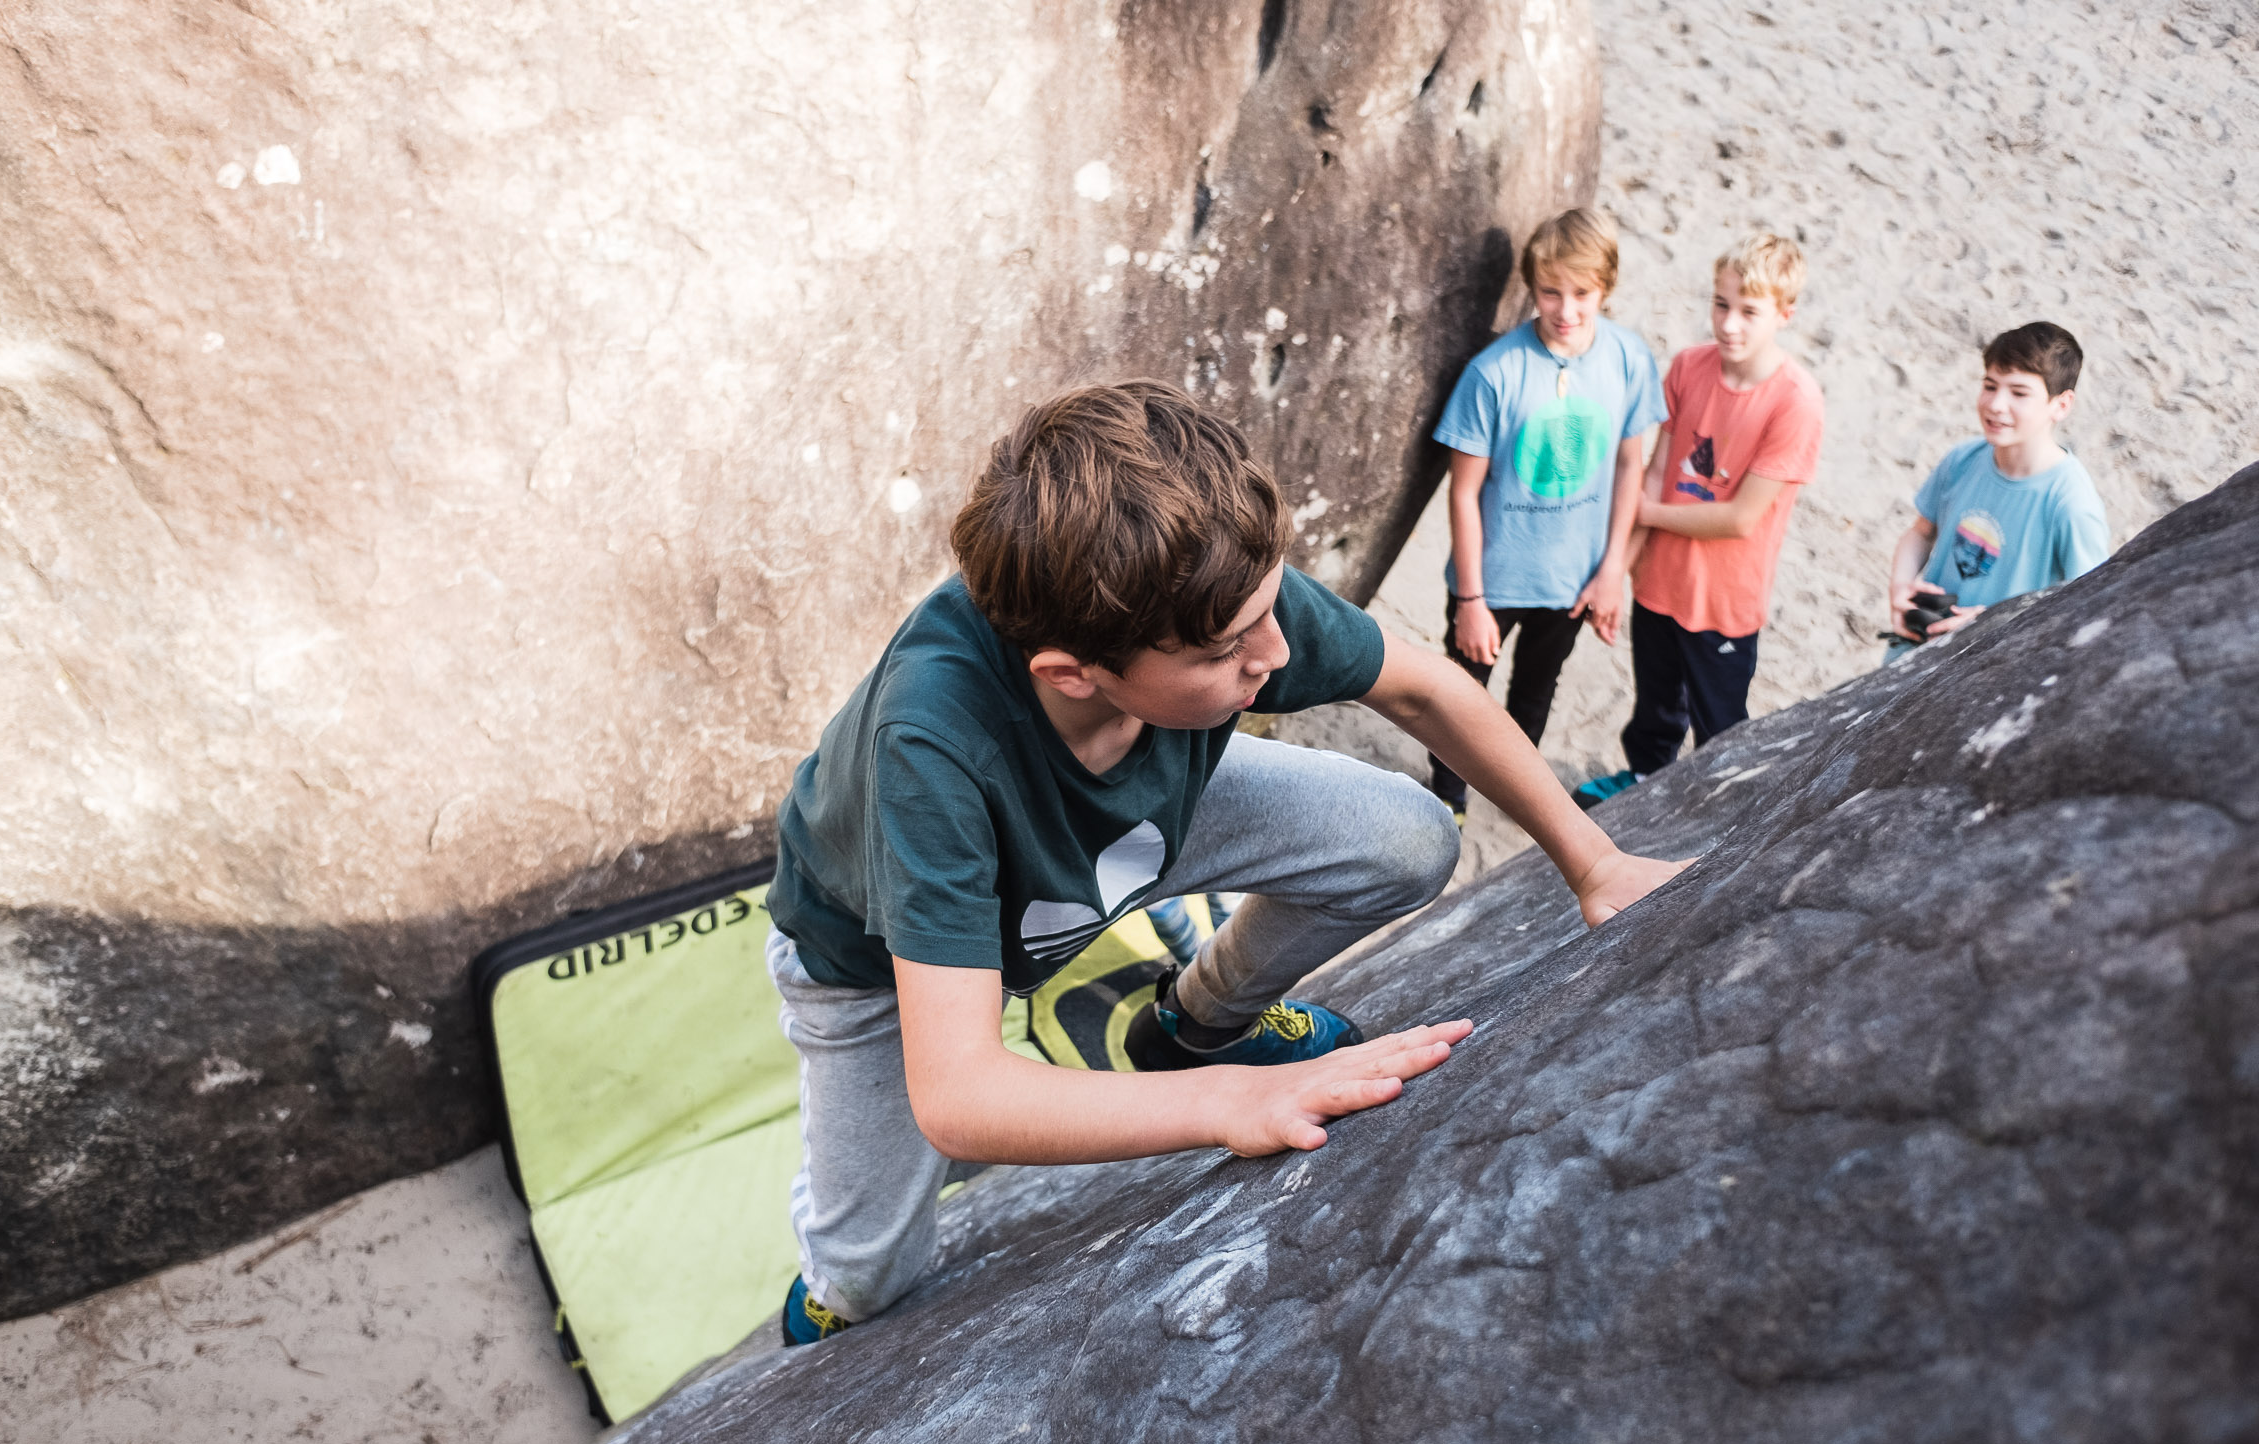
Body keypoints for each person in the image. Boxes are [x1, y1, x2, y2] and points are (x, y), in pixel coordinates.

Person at [764, 381, 1682, 1344]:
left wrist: (1592, 861)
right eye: (1229, 648)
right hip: (869, 962)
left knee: (1408, 839)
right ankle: (830, 1280)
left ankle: (1197, 1024)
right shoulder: (935, 743)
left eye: (1268, 612)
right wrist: (1239, 1104)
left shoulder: (1210, 590)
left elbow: (1421, 692)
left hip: (1137, 818)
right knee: (869, 1277)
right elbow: (958, 1094)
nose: (1276, 652)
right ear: (1072, 672)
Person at [1425, 207, 1663, 821]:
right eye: (1550, 291)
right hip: (1495, 576)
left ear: (1605, 286)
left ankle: (1512, 790)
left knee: (1535, 692)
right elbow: (1462, 491)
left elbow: (1631, 468)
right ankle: (1446, 799)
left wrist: (1613, 570)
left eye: (1582, 293)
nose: (1566, 309)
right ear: (1532, 286)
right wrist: (1473, 600)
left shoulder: (1629, 359)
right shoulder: (1493, 373)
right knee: (1460, 697)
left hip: (1573, 577)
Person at [1574, 232, 1824, 803]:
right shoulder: (1688, 366)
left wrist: (1649, 511)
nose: (1729, 324)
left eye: (1749, 311)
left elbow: (1740, 517)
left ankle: (1714, 812)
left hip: (1724, 600)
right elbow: (1660, 466)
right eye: (1721, 304)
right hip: (1659, 581)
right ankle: (1641, 783)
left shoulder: (1796, 401)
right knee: (1655, 704)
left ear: (1784, 315)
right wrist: (1618, 569)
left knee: (1719, 723)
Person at [1885, 321, 2110, 656]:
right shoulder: (1963, 459)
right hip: (1914, 650)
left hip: (1986, 669)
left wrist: (1990, 624)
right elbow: (1920, 532)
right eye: (1990, 386)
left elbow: (2087, 609)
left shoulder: (2071, 502)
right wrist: (1901, 586)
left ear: (2061, 405)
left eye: (2019, 393)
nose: (1995, 404)